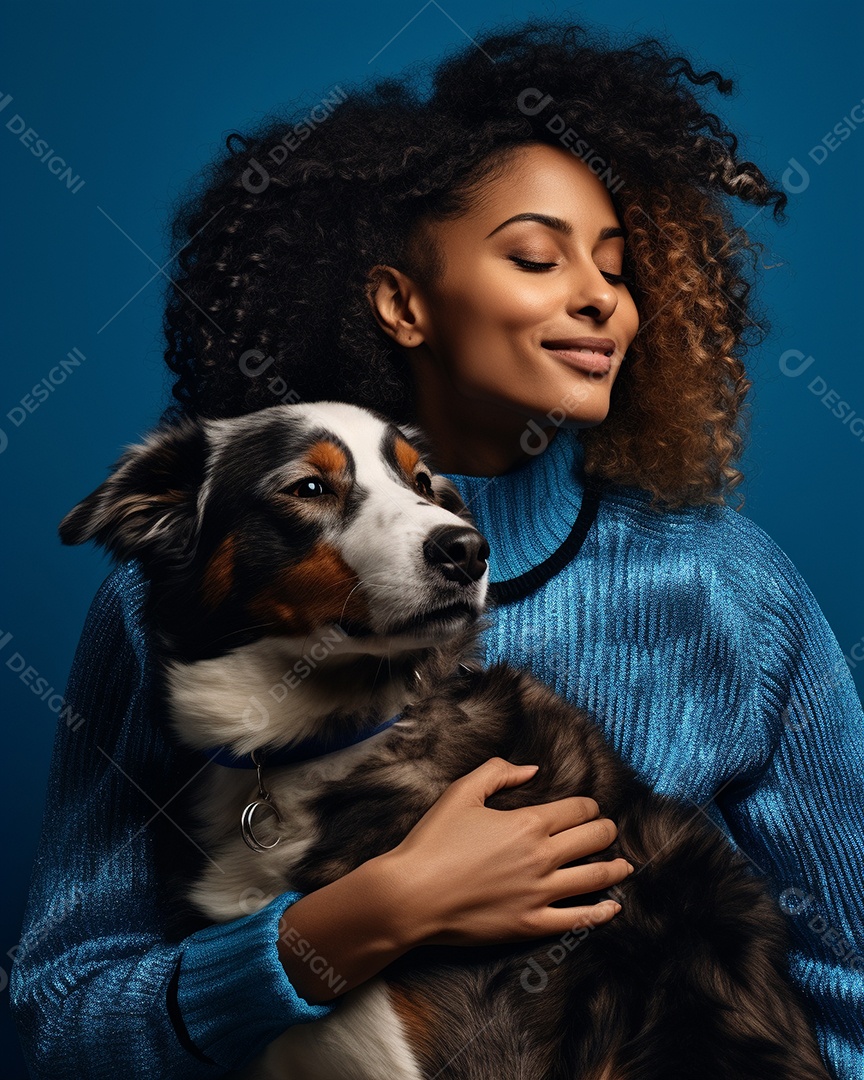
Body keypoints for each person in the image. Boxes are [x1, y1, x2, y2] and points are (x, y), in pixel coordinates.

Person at [11, 19, 863, 1080]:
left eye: (618, 266)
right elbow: (61, 1021)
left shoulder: (729, 588)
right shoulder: (185, 596)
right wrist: (351, 927)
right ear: (402, 304)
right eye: (537, 257)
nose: (601, 297)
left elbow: (853, 985)